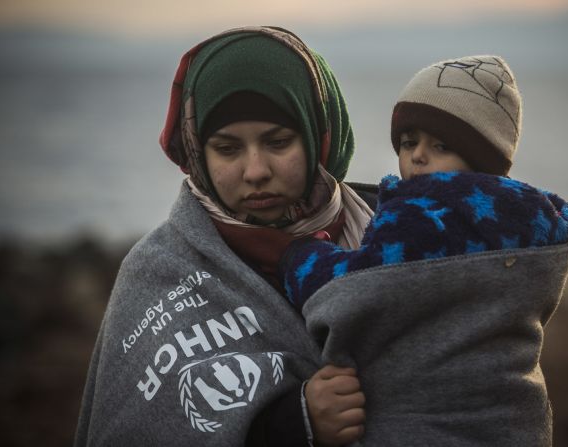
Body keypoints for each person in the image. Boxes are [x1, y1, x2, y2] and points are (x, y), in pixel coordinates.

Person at [74, 26, 375, 447]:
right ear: (198, 152)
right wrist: (294, 424)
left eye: (278, 141)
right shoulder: (158, 272)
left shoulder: (393, 232)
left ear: (319, 134)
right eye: (228, 148)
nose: (255, 171)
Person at [280, 56, 568, 445]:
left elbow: (348, 287)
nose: (418, 155)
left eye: (441, 145)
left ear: (482, 160)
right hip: (517, 422)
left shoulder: (421, 218)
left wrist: (299, 256)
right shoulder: (534, 223)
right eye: (409, 142)